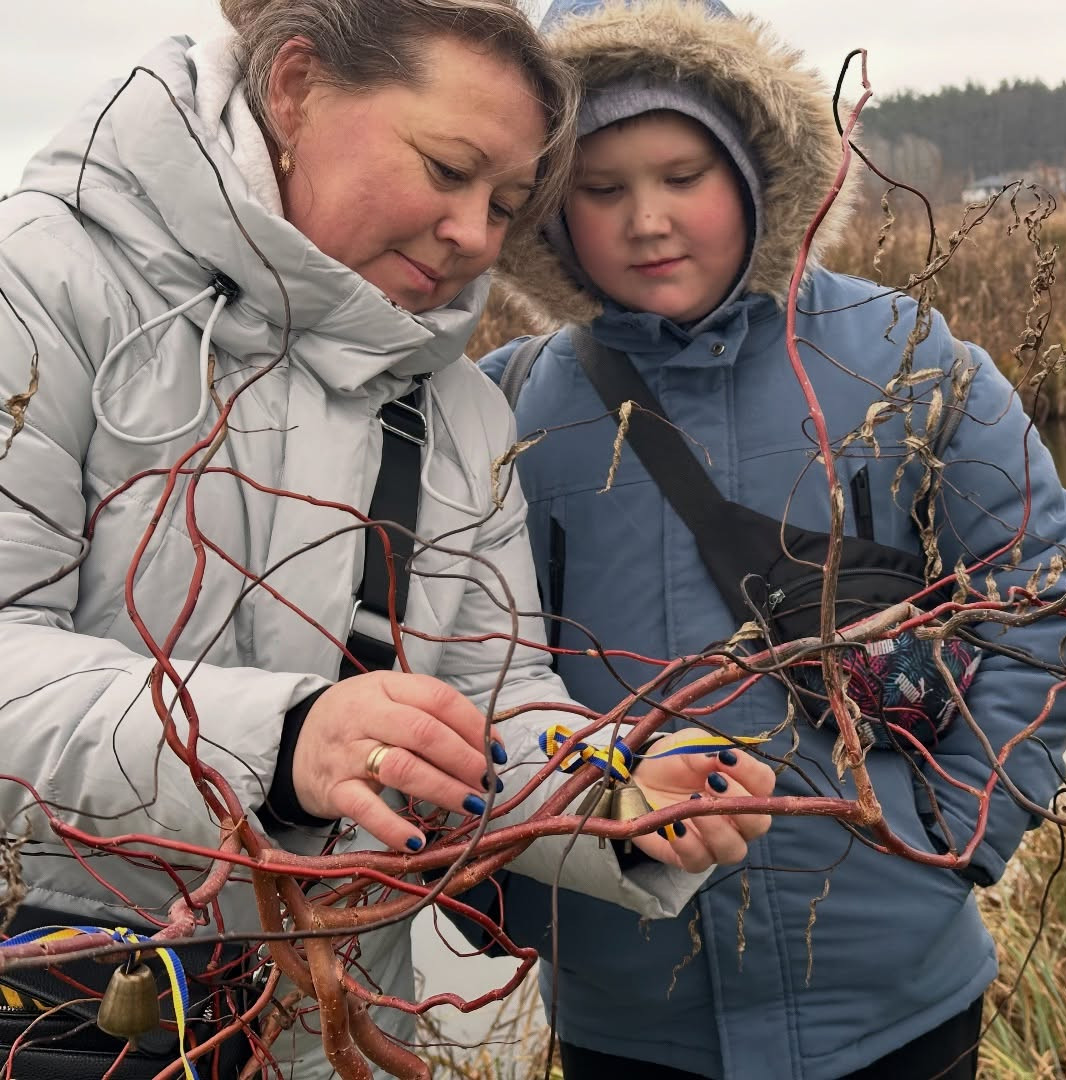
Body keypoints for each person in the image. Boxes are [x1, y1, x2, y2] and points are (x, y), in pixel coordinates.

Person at [0, 1, 775, 1077]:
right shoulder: (39, 286)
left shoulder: (455, 409)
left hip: (341, 1033)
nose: (474, 234)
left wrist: (617, 794)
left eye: (506, 204)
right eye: (448, 169)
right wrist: (281, 741)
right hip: (61, 1006)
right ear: (297, 88)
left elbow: (490, 703)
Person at [473, 2, 1066, 1078]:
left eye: (682, 175)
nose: (647, 221)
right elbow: (461, 673)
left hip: (896, 998)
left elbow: (1047, 604)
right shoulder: (502, 414)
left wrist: (957, 832)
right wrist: (518, 888)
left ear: (759, 170)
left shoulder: (910, 364)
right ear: (546, 208)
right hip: (630, 1012)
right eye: (600, 187)